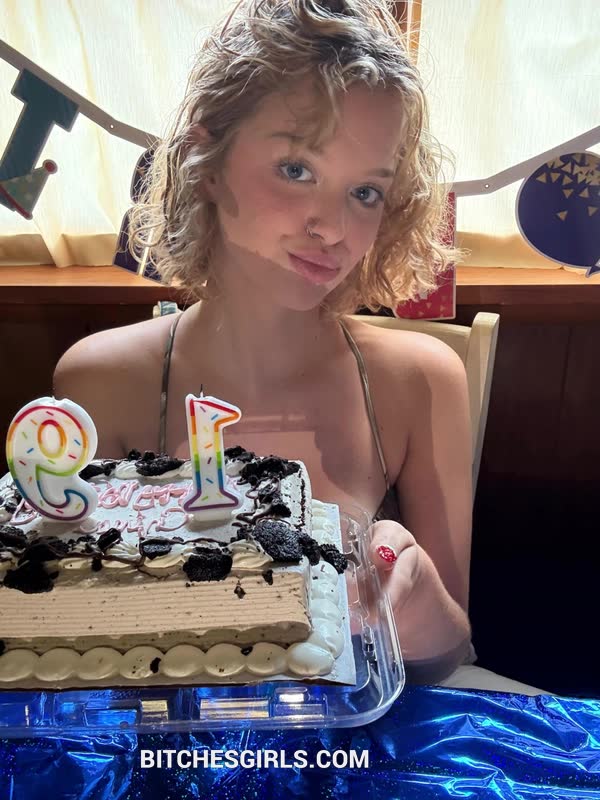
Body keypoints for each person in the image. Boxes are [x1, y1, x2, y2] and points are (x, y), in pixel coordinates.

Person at [54, 0, 542, 694]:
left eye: (365, 191)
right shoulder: (101, 382)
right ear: (206, 159)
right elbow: (82, 646)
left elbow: (446, 659)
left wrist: (413, 597)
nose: (333, 228)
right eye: (296, 169)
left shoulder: (421, 381)